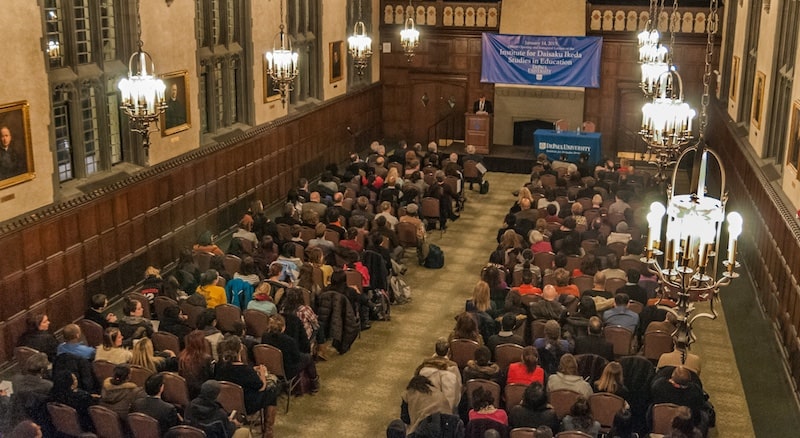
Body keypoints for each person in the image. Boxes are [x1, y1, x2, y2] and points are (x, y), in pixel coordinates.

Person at [214, 335, 280, 434]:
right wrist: (262, 373)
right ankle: (268, 430)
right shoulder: (245, 370)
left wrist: (253, 370)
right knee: (272, 391)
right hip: (246, 405)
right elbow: (261, 387)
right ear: (240, 348)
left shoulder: (219, 366)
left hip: (225, 402)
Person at [185, 380, 251, 438]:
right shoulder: (220, 414)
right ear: (216, 395)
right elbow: (227, 434)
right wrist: (233, 424)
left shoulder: (189, 406)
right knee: (245, 431)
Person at [414, 338, 462, 414]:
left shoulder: (424, 368)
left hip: (425, 407)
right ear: (448, 351)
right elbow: (458, 389)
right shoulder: (452, 368)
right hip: (446, 409)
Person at [178, 330, 214, 400]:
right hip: (201, 393)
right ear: (202, 343)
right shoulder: (206, 359)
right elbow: (209, 378)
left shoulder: (182, 357)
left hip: (186, 391)